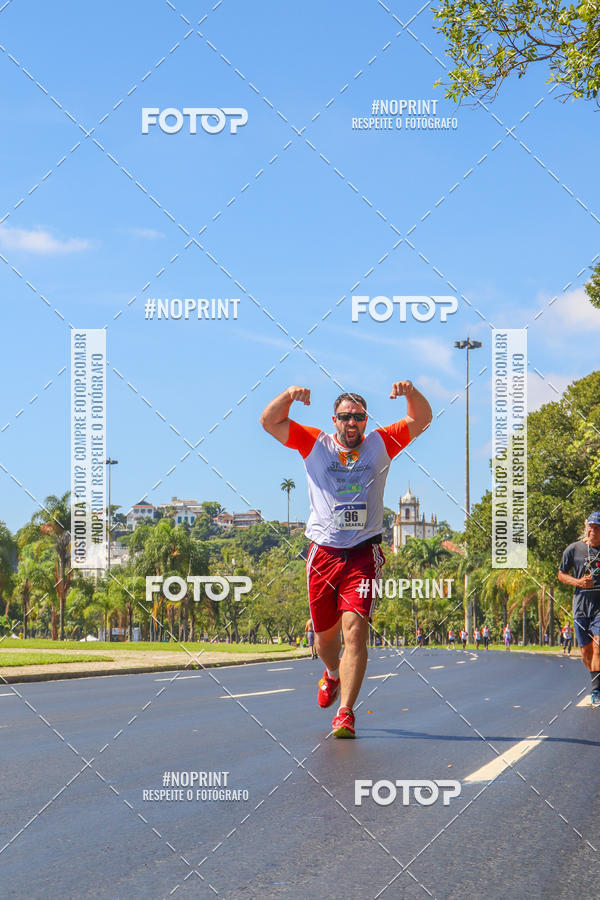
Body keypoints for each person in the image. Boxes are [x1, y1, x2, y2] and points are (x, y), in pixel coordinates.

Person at [260, 381, 432, 738]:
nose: (351, 423)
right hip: (323, 553)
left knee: (355, 632)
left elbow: (422, 419)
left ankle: (345, 713)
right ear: (334, 420)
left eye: (358, 417)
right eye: (345, 417)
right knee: (326, 641)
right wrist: (289, 396)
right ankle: (332, 673)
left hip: (363, 553)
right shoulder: (315, 444)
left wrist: (411, 391)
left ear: (366, 420)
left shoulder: (381, 444)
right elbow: (269, 421)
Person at [558, 513, 600, 706]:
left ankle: (596, 690)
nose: (593, 531)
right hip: (581, 607)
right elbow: (561, 574)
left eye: (597, 528)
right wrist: (579, 582)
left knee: (598, 645)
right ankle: (596, 676)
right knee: (586, 653)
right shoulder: (574, 549)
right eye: (591, 527)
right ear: (586, 526)